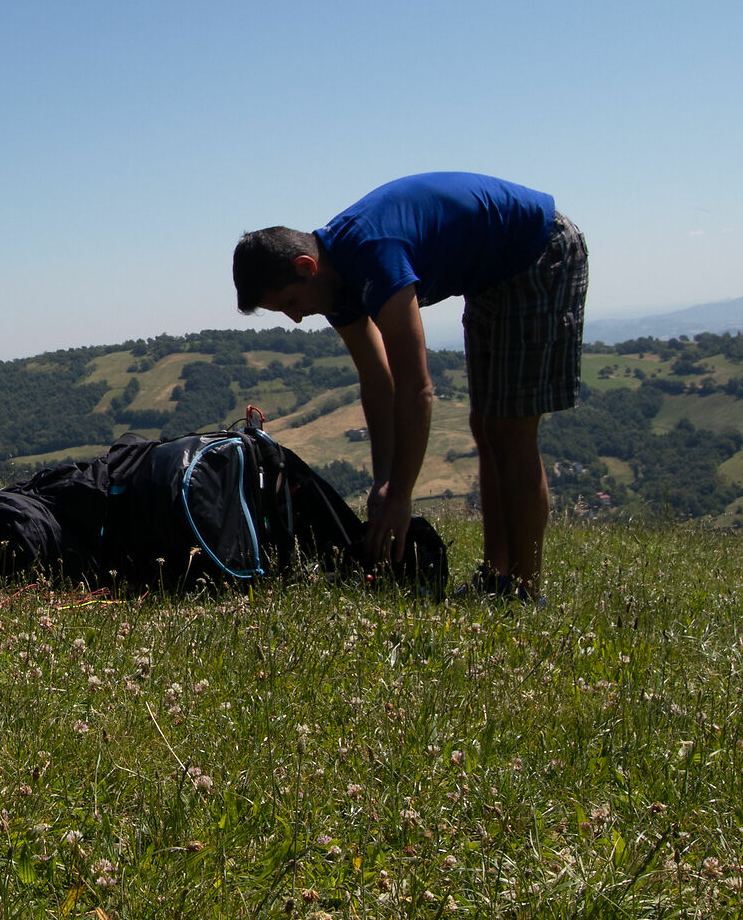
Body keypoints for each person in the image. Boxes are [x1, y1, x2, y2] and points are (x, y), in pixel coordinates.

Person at [231, 173, 587, 600]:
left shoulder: (373, 255)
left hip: (537, 250)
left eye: (290, 303)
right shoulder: (332, 286)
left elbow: (416, 387)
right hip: (491, 275)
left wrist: (402, 495)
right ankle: (496, 576)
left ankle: (525, 592)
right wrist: (383, 481)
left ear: (306, 267)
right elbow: (377, 381)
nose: (296, 318)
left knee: (510, 430)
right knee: (487, 427)